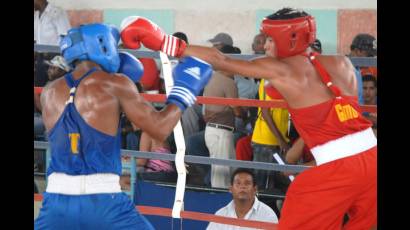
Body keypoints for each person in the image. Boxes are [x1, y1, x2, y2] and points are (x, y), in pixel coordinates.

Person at [119, 8, 377, 229]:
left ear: (289, 38)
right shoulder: (341, 62)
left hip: (337, 169)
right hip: (371, 157)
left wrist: (165, 41)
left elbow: (220, 60)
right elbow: (340, 113)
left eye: (269, 40)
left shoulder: (280, 69)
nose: (264, 46)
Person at [35, 23, 213, 230]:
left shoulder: (48, 92)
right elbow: (160, 128)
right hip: (103, 201)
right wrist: (184, 90)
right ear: (102, 45)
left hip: (57, 199)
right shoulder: (115, 83)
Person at [206, 168, 278, 230]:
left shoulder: (268, 215)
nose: (242, 186)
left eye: (247, 183)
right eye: (238, 183)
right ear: (231, 189)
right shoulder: (221, 214)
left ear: (255, 189)